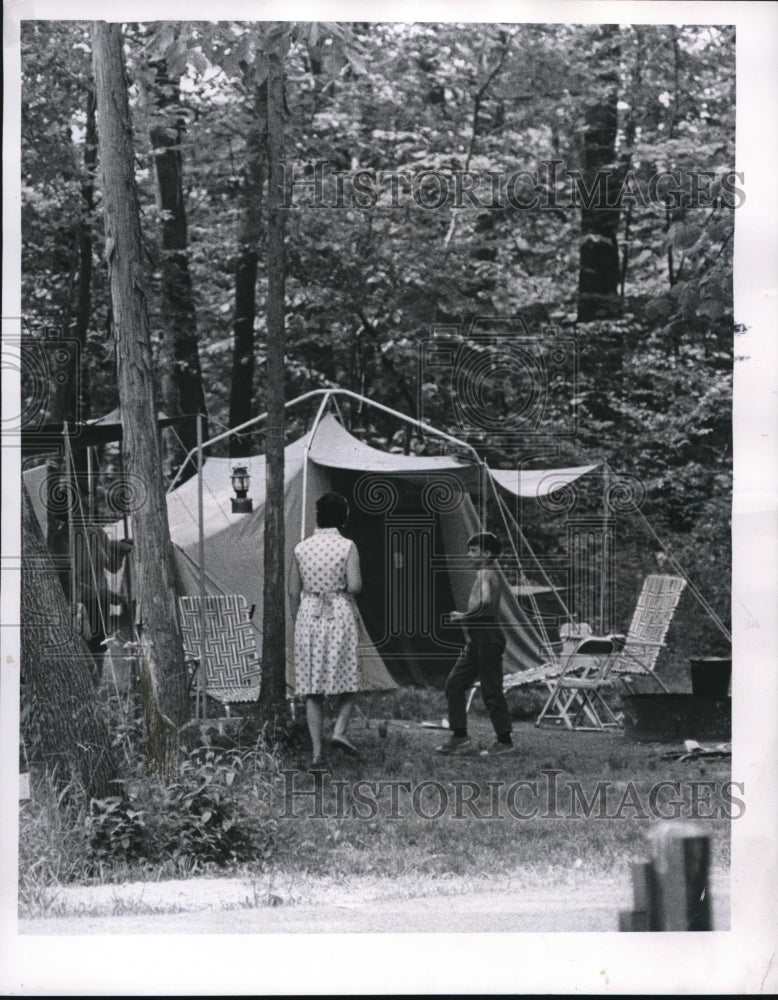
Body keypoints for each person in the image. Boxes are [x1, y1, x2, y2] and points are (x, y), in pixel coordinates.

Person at [289, 492, 363, 765]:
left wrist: (298, 620)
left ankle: (317, 752)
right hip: (338, 611)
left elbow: (292, 591)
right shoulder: (347, 546)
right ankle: (340, 730)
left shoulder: (301, 548)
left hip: (309, 613)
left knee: (313, 688)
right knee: (350, 678)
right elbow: (355, 587)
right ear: (343, 518)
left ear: (318, 517)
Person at [435, 531, 513, 757]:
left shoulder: (486, 572)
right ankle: (459, 736)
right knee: (455, 684)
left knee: (491, 689)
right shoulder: (483, 572)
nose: (469, 555)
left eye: (473, 551)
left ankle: (505, 740)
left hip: (488, 637)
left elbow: (486, 603)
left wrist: (463, 616)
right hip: (478, 638)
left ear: (486, 554)